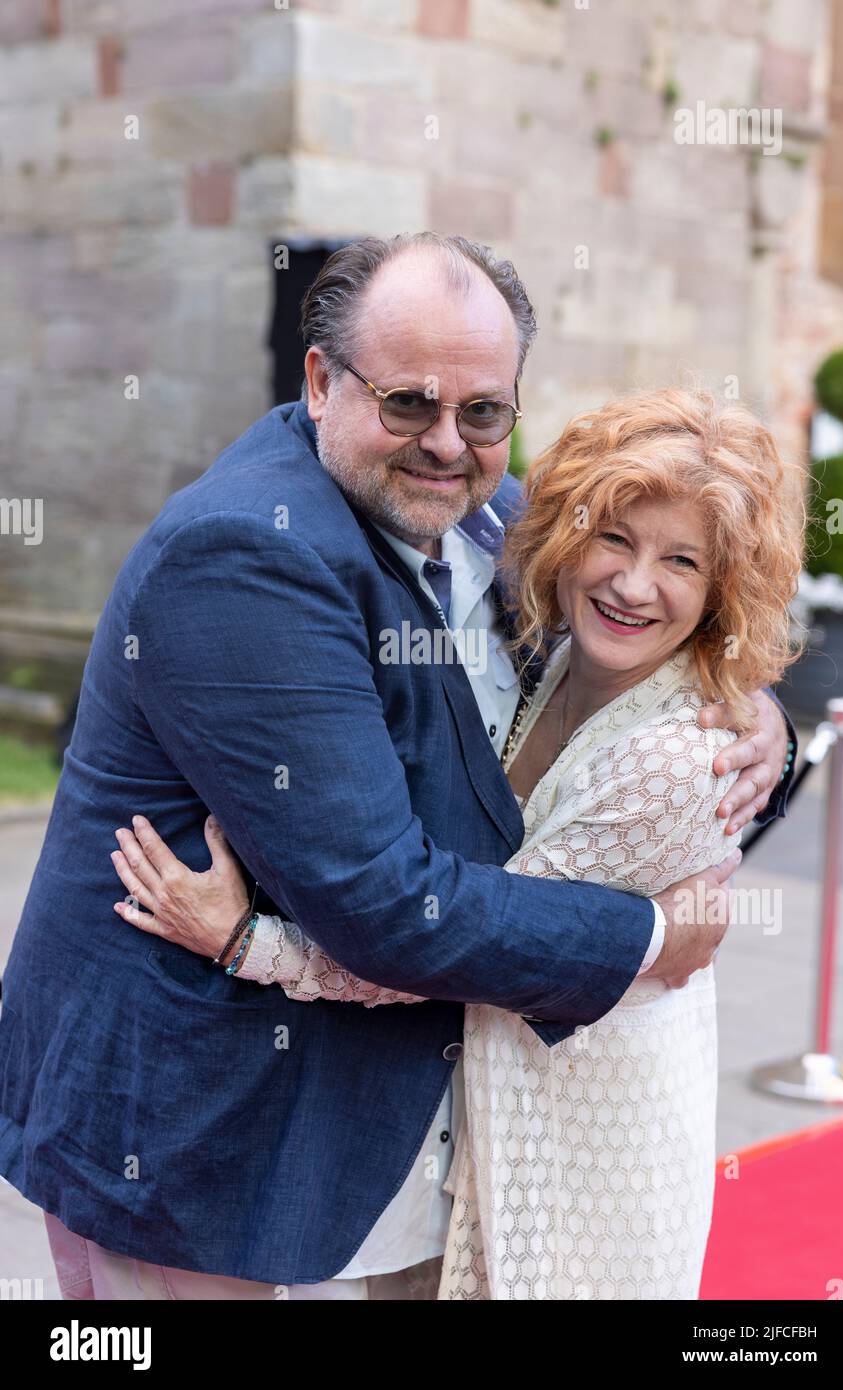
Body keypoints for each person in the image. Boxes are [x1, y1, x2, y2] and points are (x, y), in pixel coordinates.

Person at [0, 234, 794, 1301]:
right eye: (409, 401)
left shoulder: (496, 515)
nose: (447, 443)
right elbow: (381, 903)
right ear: (322, 381)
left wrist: (758, 709)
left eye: (483, 412)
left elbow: (645, 605)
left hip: (381, 1105)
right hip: (191, 1124)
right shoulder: (251, 554)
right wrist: (652, 934)